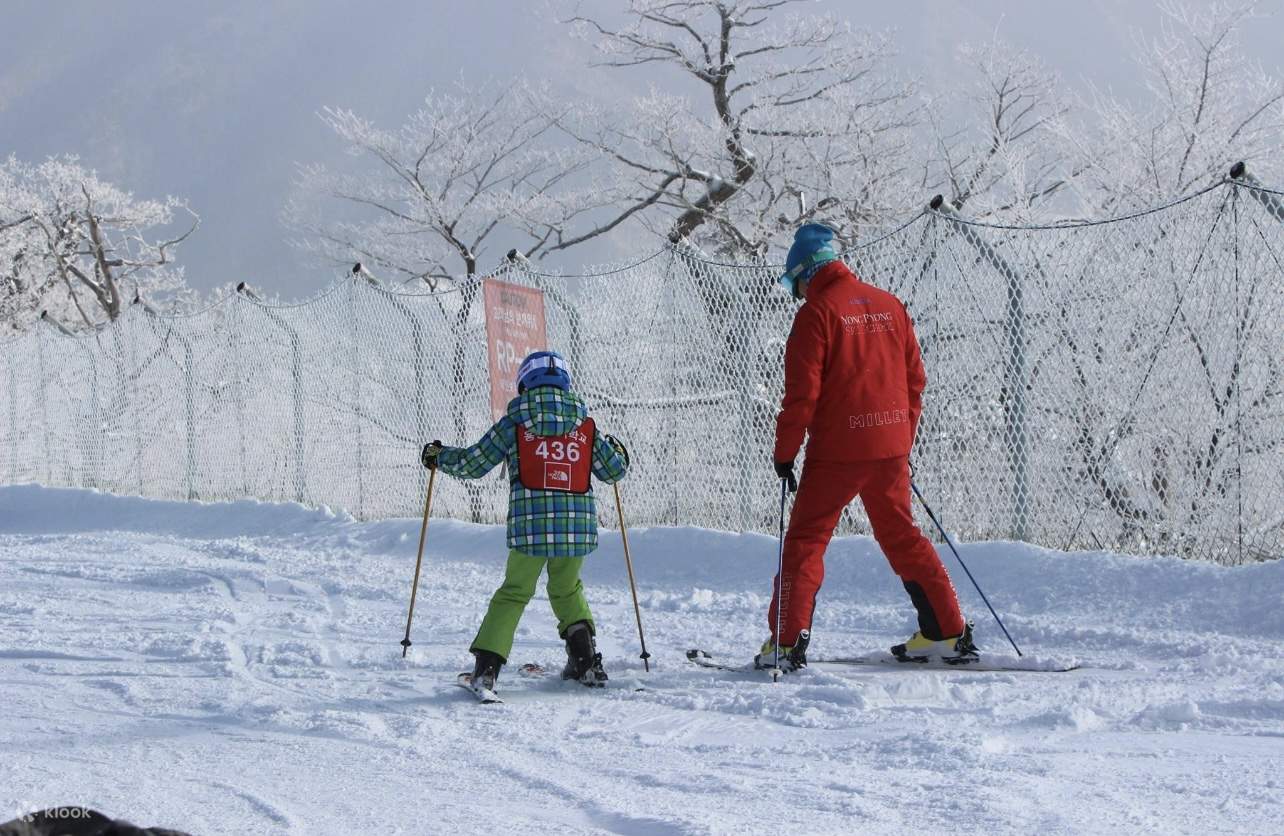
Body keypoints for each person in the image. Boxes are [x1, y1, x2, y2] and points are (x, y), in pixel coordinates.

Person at [755, 223, 976, 671]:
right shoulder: (890, 304)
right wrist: (901, 438)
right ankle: (946, 631)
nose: (797, 295)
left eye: (795, 285)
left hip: (837, 453)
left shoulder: (816, 315)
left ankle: (787, 641)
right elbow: (915, 381)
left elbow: (801, 397)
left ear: (806, 273)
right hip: (890, 448)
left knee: (805, 541)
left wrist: (785, 453)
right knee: (903, 536)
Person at [421, 350, 630, 694]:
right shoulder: (586, 427)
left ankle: (487, 670)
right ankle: (586, 662)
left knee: (515, 591)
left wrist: (439, 457)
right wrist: (618, 451)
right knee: (567, 588)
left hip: (530, 528)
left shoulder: (515, 423)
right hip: (575, 530)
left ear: (524, 383)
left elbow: (474, 464)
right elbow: (613, 471)